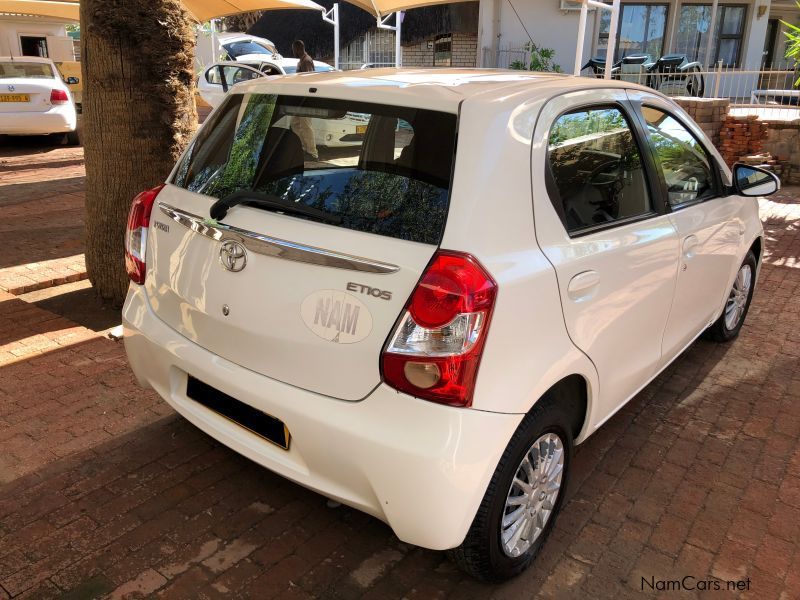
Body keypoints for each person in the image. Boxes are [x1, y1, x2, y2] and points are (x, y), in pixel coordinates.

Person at [290, 40, 318, 161]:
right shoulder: (301, 61)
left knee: (306, 126)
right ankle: (304, 148)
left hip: (305, 100)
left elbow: (309, 81)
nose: (293, 52)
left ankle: (312, 153)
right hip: (299, 100)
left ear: (298, 49)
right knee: (295, 124)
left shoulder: (306, 61)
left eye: (294, 50)